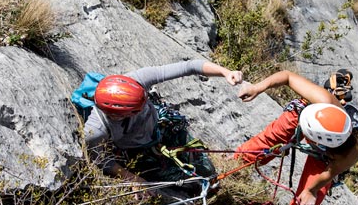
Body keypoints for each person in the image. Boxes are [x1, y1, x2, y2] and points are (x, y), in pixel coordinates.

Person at [235, 70, 358, 205]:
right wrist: (257, 87)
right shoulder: (324, 101)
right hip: (305, 111)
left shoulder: (348, 153)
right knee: (265, 144)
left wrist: (310, 191)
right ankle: (230, 167)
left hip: (326, 151)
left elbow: (328, 174)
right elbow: (287, 76)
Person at [84, 60, 242, 190]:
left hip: (161, 127)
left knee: (207, 170)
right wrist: (133, 179)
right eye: (137, 109)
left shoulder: (137, 80)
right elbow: (101, 161)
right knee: (193, 184)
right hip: (139, 151)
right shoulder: (96, 131)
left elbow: (190, 66)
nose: (145, 104)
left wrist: (225, 72)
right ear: (117, 114)